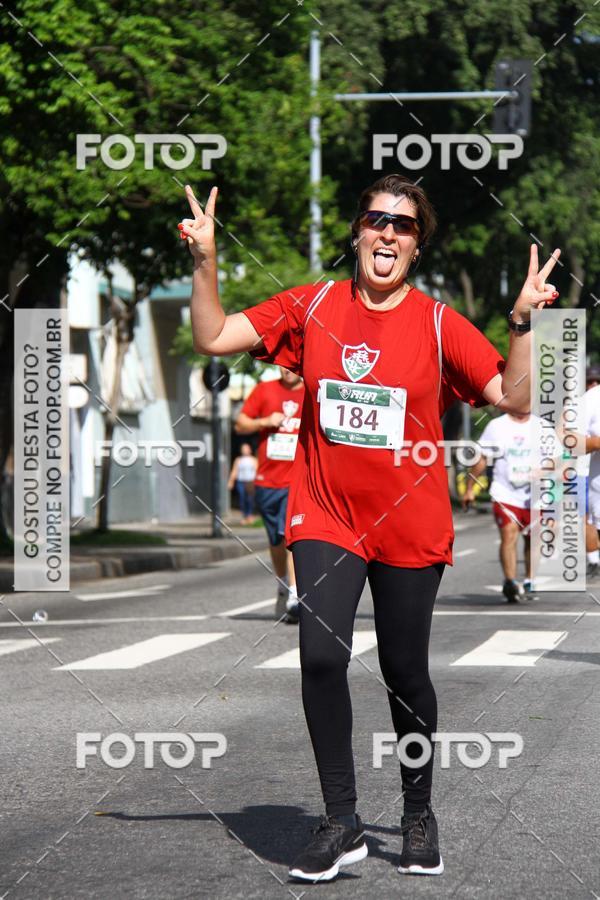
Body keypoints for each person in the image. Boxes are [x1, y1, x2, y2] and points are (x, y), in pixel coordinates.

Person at [179, 174, 560, 882]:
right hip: (325, 513)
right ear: (357, 233)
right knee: (321, 658)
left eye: (404, 226)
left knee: (403, 671)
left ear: (416, 248)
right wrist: (206, 259)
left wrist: (521, 323)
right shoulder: (313, 305)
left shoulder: (441, 324)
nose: (388, 233)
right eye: (377, 220)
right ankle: (340, 820)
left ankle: (418, 813)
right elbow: (212, 335)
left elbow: (511, 396)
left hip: (409, 524)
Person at [235, 367, 305, 622]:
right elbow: (241, 424)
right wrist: (264, 422)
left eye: (292, 364)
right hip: (267, 479)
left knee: (290, 535)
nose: (286, 369)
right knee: (276, 539)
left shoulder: (312, 391)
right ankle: (283, 585)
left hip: (297, 479)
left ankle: (295, 595)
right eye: (281, 365)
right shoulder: (265, 390)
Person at [463, 412, 539, 601]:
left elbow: (558, 458)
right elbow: (482, 459)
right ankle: (510, 582)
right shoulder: (496, 426)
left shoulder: (542, 426)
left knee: (533, 539)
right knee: (509, 533)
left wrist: (550, 472)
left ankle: (529, 580)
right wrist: (470, 487)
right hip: (504, 492)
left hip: (536, 495)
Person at [227, 442, 258, 525]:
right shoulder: (238, 460)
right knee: (242, 498)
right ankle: (245, 516)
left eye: (246, 448)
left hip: (250, 481)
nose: (244, 450)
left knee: (250, 499)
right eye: (243, 449)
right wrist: (231, 481)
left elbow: (257, 471)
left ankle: (249, 515)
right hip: (241, 481)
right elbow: (234, 471)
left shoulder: (253, 460)